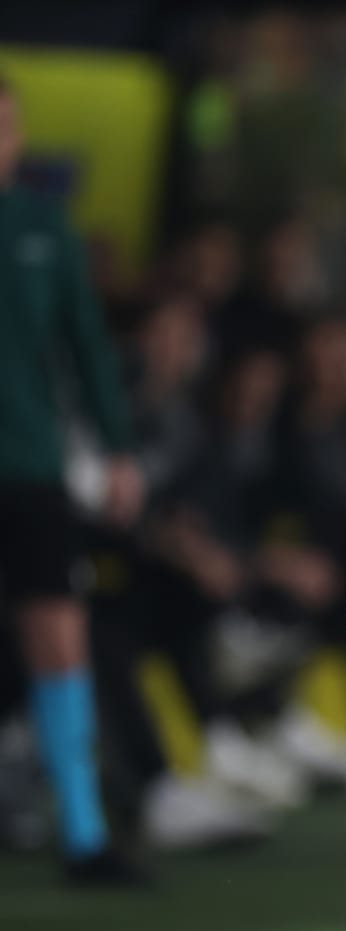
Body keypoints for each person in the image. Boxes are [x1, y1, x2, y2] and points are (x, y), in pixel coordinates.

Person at [0, 74, 145, 883]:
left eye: (6, 126)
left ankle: (84, 834)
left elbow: (85, 346)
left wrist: (119, 449)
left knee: (58, 635)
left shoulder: (42, 229)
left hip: (27, 464)